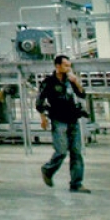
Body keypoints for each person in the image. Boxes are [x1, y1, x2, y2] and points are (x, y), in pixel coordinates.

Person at [36, 54, 91, 193]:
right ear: (57, 66)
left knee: (76, 152)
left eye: (69, 66)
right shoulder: (48, 82)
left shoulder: (71, 80)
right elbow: (39, 101)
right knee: (61, 150)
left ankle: (76, 184)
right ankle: (48, 170)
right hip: (58, 119)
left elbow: (82, 95)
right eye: (66, 65)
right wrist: (43, 118)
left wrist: (76, 81)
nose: (68, 68)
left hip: (73, 119)